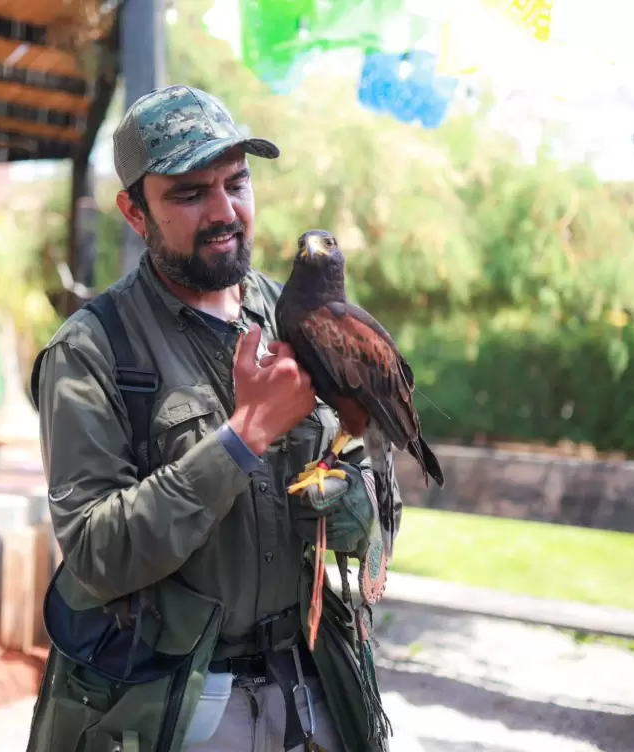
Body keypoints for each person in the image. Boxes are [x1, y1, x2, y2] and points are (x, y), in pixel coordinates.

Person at [26, 85, 396, 752]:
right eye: (190, 194)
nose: (225, 211)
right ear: (134, 212)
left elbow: (371, 477)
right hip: (180, 707)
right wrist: (245, 435)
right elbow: (95, 554)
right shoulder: (90, 352)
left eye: (237, 183)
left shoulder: (301, 317)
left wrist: (355, 507)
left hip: (314, 691)